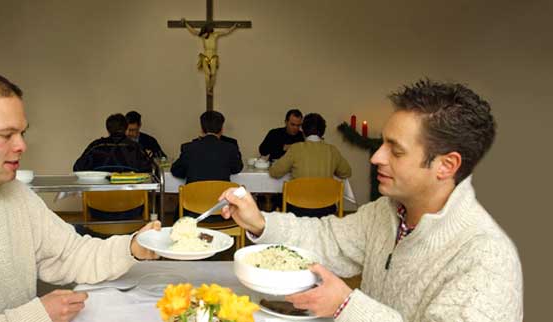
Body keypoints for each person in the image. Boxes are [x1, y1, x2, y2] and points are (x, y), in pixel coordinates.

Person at [220, 79, 523, 321]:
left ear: (446, 165)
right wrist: (260, 222)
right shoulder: (387, 212)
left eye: (396, 150)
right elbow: (329, 240)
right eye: (381, 144)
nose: (376, 157)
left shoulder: (487, 259)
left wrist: (346, 307)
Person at [0, 69, 161, 322]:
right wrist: (35, 315)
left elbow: (70, 254)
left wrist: (132, 246)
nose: (21, 145)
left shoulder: (16, 195)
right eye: (5, 135)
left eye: (22, 133)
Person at [269, 113, 351, 180]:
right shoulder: (332, 150)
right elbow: (347, 172)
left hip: (299, 199)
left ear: (303, 131)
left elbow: (275, 172)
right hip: (325, 199)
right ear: (323, 131)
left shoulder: (296, 148)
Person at [171, 110, 243, 184]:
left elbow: (176, 171)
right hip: (221, 194)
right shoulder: (230, 148)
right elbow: (237, 169)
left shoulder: (188, 148)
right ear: (221, 130)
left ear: (202, 129)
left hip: (194, 195)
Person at [73, 113, 151, 173]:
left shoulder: (96, 146)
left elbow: (77, 168)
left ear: (108, 129)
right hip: (131, 193)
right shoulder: (136, 148)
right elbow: (149, 170)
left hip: (99, 192)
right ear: (126, 129)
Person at [182, 18, 239, 95]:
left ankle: (210, 88)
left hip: (213, 56)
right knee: (207, 74)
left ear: (207, 31)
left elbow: (226, 32)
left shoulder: (215, 35)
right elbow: (194, 32)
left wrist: (234, 27)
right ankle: (208, 89)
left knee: (213, 73)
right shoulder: (203, 36)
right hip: (205, 57)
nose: (203, 35)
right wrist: (186, 24)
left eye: (204, 33)